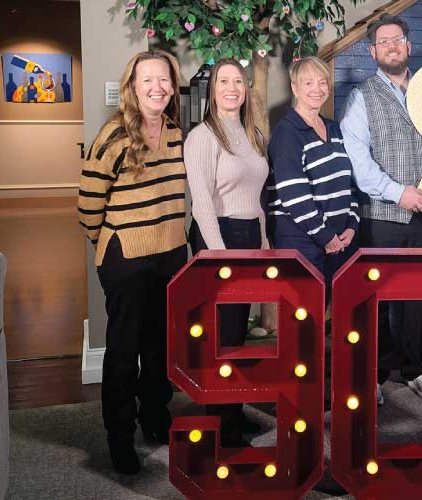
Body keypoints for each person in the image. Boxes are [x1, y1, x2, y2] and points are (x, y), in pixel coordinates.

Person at [77, 50, 187, 474]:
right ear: (132, 87)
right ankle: (119, 438)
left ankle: (155, 418)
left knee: (160, 347)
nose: (157, 88)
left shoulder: (176, 133)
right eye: (148, 81)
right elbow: (88, 208)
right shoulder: (113, 137)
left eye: (164, 80)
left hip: (171, 255)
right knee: (124, 351)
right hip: (126, 259)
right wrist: (110, 245)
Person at [340, 13, 422, 403]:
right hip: (381, 216)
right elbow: (357, 159)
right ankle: (376, 374)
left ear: (408, 44)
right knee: (378, 298)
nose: (391, 46)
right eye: (383, 41)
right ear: (372, 51)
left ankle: (420, 368)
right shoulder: (361, 95)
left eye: (397, 39)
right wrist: (397, 192)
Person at [182, 58, 269, 448]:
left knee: (236, 337)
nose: (231, 87)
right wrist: (221, 259)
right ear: (212, 89)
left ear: (246, 89)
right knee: (220, 338)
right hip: (219, 237)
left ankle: (233, 411)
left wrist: (263, 242)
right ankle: (219, 425)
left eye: (238, 81)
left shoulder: (251, 134)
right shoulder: (202, 136)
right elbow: (201, 205)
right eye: (223, 81)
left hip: (248, 235)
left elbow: (257, 198)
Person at [269, 56, 358, 281]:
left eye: (322, 82)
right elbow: (294, 197)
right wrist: (326, 236)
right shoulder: (287, 133)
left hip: (337, 240)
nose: (317, 89)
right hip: (301, 243)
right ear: (294, 88)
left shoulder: (334, 129)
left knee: (327, 310)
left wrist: (351, 224)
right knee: (302, 313)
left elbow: (350, 183)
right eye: (308, 83)